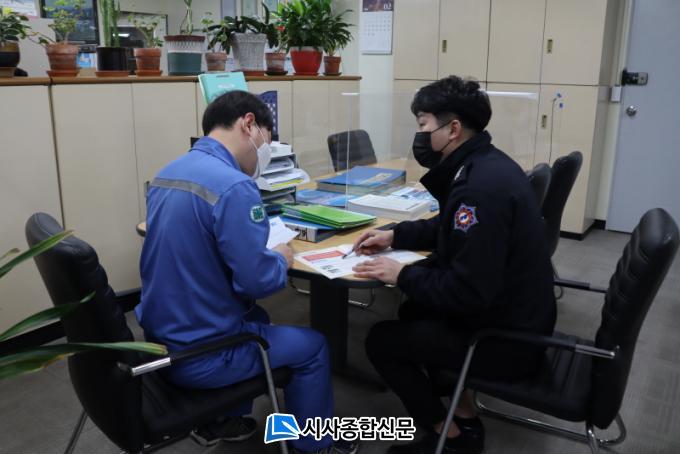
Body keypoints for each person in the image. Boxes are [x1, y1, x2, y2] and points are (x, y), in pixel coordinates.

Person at [136, 90, 357, 454]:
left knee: (258, 317)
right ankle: (313, 445)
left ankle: (224, 419)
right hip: (200, 355)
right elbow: (259, 281)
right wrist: (281, 258)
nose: (263, 154)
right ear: (249, 124)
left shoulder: (167, 173)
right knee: (314, 347)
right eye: (266, 143)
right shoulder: (235, 186)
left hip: (157, 342)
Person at [352, 76, 557, 454]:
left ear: (454, 129)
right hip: (520, 316)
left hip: (507, 340)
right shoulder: (485, 165)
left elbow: (468, 293)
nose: (420, 135)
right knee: (415, 309)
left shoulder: (478, 188)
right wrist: (395, 236)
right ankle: (462, 413)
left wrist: (402, 273)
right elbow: (447, 226)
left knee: (381, 340)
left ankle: (449, 437)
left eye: (423, 124)